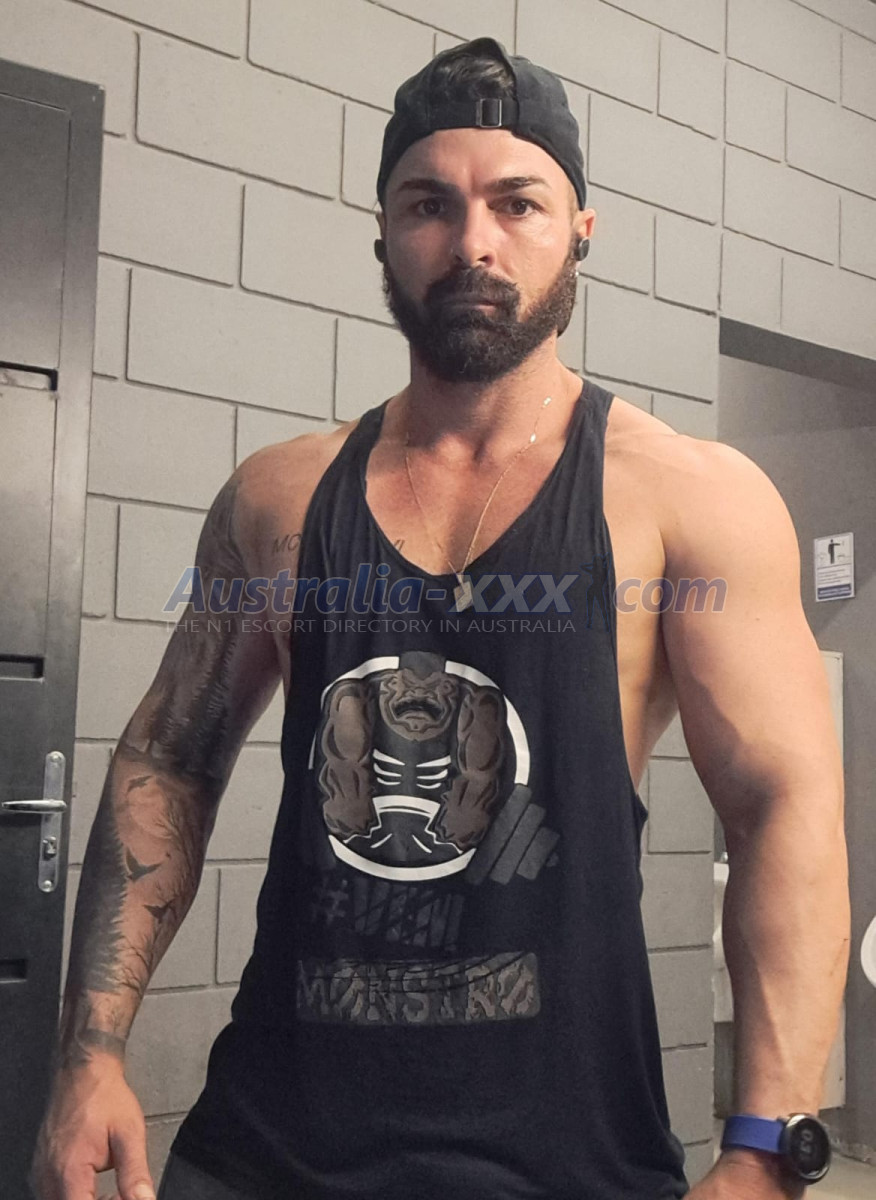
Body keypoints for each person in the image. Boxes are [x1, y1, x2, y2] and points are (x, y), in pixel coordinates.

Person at [30, 34, 849, 1200]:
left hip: (569, 1163)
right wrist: (91, 1054)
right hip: (265, 1155)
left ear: (580, 230)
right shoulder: (279, 498)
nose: (473, 242)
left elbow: (783, 804)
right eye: (430, 204)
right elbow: (170, 757)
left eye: (517, 202)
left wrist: (770, 1146)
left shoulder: (691, 497)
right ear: (383, 234)